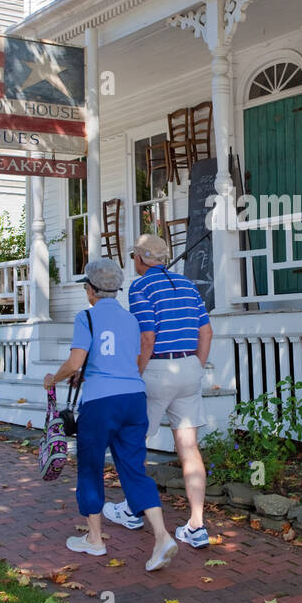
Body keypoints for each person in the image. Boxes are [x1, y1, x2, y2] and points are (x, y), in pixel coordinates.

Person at [43, 257, 177, 572]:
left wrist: (55, 378)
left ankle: (95, 539)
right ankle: (161, 536)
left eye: (86, 288)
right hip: (133, 399)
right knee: (134, 470)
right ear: (115, 289)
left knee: (90, 467)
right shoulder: (131, 320)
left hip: (100, 404)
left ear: (91, 290)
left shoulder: (85, 318)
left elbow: (76, 363)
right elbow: (123, 360)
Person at [103, 233, 214, 549]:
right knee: (189, 447)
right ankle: (196, 525)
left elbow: (147, 337)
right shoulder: (189, 286)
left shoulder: (140, 286)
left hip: (156, 369)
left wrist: (135, 375)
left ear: (139, 258)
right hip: (189, 369)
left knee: (132, 441)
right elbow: (206, 332)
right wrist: (195, 364)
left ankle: (132, 509)